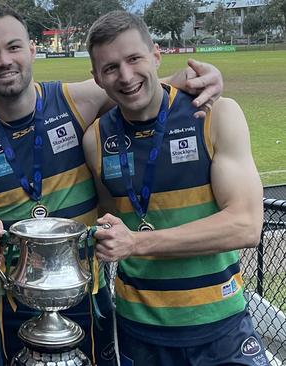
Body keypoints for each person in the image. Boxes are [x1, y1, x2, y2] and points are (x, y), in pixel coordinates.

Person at [0, 8, 224, 366]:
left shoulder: (78, 100)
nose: (4, 61)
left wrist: (204, 75)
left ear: (32, 50)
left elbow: (145, 83)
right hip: (12, 299)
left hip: (86, 294)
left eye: (13, 47)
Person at [83, 11, 268, 366]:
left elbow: (246, 224)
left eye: (134, 59)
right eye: (110, 68)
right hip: (139, 330)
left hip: (220, 326)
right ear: (96, 78)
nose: (125, 76)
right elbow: (112, 223)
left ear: (155, 55)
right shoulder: (96, 140)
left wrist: (137, 243)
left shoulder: (215, 114)